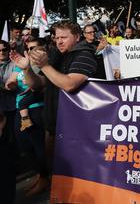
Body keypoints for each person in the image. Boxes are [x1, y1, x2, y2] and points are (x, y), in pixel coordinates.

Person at [13, 20, 98, 194]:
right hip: (53, 122)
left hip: (76, 130)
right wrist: (27, 69)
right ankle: (47, 183)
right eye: (56, 37)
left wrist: (44, 65)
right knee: (54, 167)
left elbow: (69, 84)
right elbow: (39, 84)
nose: (59, 41)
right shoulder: (58, 56)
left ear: (77, 36)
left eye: (64, 37)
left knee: (73, 177)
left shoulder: (84, 55)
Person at [6, 36, 48, 197]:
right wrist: (11, 84)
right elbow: (12, 80)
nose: (31, 51)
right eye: (29, 48)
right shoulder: (21, 63)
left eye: (35, 48)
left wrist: (27, 70)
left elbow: (36, 85)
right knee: (25, 147)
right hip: (19, 109)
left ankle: (44, 178)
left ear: (43, 49)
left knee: (38, 146)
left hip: (36, 110)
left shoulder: (43, 65)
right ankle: (39, 174)